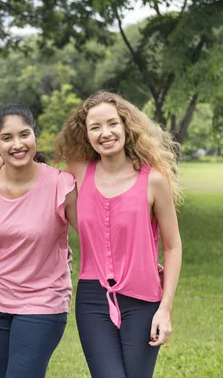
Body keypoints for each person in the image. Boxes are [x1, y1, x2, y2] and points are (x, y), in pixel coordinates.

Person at [53, 91, 183, 377]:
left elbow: (173, 246)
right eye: (95, 127)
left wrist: (165, 309)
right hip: (93, 301)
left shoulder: (154, 181)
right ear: (86, 135)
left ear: (126, 126)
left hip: (144, 301)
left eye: (112, 123)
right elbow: (32, 176)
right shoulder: (76, 173)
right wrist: (0, 162)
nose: (106, 133)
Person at [0, 105, 77, 378]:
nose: (17, 144)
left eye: (24, 135)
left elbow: (94, 232)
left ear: (35, 136)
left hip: (44, 301)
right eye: (7, 138)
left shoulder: (61, 184)